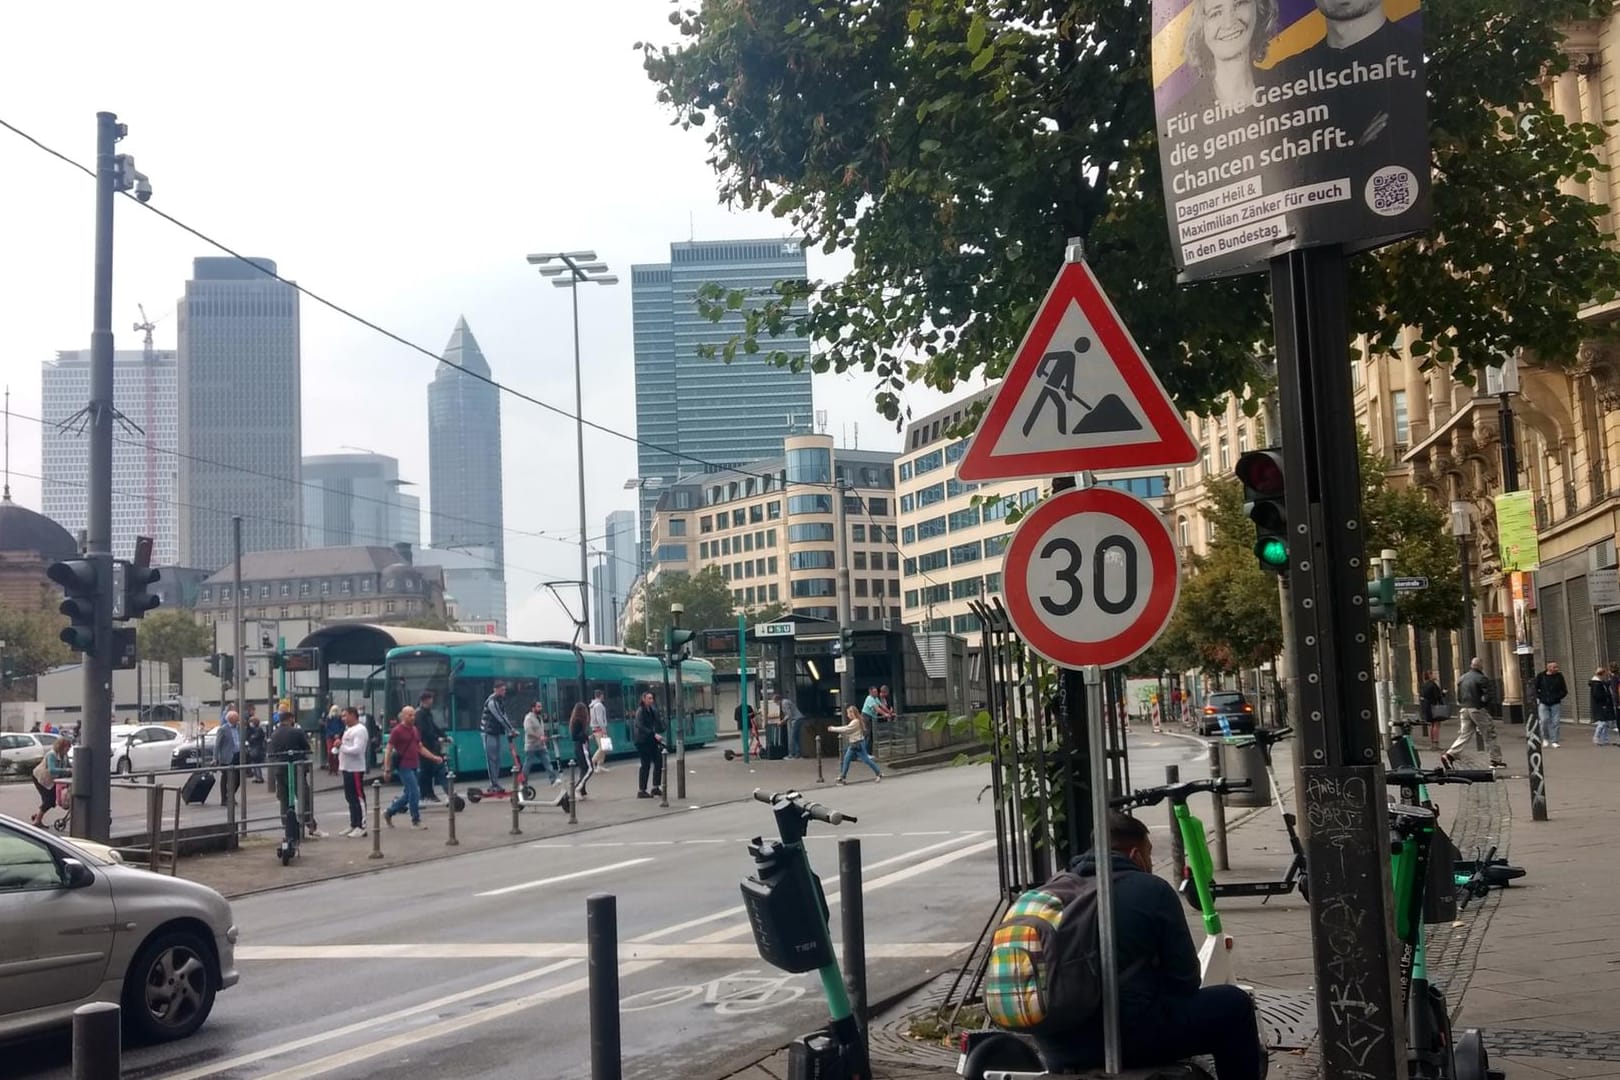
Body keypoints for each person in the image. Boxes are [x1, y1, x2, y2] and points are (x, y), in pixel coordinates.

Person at [1033, 812, 1265, 1078]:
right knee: (1235, 1005)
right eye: (1150, 854)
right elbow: (1185, 980)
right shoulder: (1151, 889)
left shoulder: (1049, 892)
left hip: (1055, 1045)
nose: (1151, 862)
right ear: (1136, 855)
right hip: (1129, 1039)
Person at [1181, 0, 1279, 113]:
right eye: (1215, 13)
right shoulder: (1185, 113)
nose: (1229, 23)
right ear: (1200, 27)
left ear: (1258, 8)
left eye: (1239, 4)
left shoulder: (1288, 85)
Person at [384, 706, 439, 830]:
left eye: (413, 715)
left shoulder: (415, 730)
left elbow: (420, 747)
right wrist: (387, 768)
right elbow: (388, 749)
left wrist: (433, 757)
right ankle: (416, 820)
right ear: (403, 716)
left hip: (414, 765)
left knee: (409, 794)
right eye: (410, 715)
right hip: (403, 766)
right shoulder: (397, 731)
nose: (413, 717)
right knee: (415, 791)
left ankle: (389, 812)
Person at [1444, 657, 1504, 768]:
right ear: (1480, 666)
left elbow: (1459, 696)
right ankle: (1495, 760)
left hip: (1464, 708)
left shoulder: (1462, 678)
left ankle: (1451, 754)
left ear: (1471, 665)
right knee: (1489, 734)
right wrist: (1483, 703)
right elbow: (1488, 695)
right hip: (1477, 709)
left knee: (1465, 734)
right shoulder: (1482, 678)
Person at [267, 711, 308, 823]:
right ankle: (309, 824)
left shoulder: (274, 734)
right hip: (296, 768)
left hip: (280, 769)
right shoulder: (296, 732)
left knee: (284, 799)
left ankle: (287, 825)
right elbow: (306, 747)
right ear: (291, 719)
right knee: (303, 796)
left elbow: (271, 752)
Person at [338, 706, 370, 837]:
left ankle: (362, 826)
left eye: (345, 715)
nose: (343, 719)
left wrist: (341, 747)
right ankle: (354, 823)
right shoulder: (348, 730)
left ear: (352, 715)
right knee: (350, 797)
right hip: (346, 767)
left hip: (355, 768)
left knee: (358, 796)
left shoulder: (360, 730)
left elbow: (358, 749)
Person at [831, 705, 882, 785]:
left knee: (864, 760)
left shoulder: (855, 722)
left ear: (852, 713)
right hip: (856, 743)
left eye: (848, 713)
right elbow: (847, 728)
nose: (847, 715)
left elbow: (846, 729)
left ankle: (878, 773)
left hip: (857, 744)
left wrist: (833, 729)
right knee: (847, 760)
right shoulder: (857, 720)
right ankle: (842, 777)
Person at [29, 736, 71, 826]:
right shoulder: (52, 755)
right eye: (67, 747)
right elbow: (52, 770)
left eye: (69, 747)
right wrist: (67, 770)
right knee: (49, 800)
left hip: (51, 780)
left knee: (50, 800)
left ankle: (37, 816)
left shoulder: (64, 756)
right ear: (60, 746)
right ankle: (37, 820)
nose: (68, 749)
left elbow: (69, 766)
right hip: (40, 779)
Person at [415, 690, 448, 803]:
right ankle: (423, 795)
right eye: (430, 699)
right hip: (424, 746)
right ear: (425, 700)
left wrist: (444, 736)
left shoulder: (428, 713)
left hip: (431, 746)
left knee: (427, 772)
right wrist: (437, 738)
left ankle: (427, 794)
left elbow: (433, 727)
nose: (432, 701)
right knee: (430, 770)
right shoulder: (419, 714)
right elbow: (424, 730)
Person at [481, 681, 515, 792]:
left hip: (495, 732)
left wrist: (510, 730)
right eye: (502, 689)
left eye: (504, 689)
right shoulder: (492, 702)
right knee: (491, 759)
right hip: (488, 732)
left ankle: (496, 783)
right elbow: (500, 717)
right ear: (496, 690)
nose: (504, 691)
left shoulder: (500, 701)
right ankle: (493, 785)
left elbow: (505, 716)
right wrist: (510, 730)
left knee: (497, 759)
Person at [633, 690, 666, 799]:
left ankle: (655, 787)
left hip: (651, 741)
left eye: (652, 698)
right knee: (645, 765)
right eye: (649, 698)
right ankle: (642, 790)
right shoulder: (640, 711)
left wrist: (661, 724)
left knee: (658, 761)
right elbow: (640, 726)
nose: (651, 700)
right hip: (642, 741)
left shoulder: (652, 710)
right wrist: (654, 734)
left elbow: (657, 723)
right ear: (643, 699)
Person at [524, 701, 561, 786]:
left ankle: (553, 780)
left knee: (547, 762)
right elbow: (528, 731)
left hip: (541, 745)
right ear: (533, 708)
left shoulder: (539, 717)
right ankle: (523, 782)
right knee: (528, 765)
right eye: (538, 707)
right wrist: (539, 737)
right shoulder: (528, 718)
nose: (540, 708)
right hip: (531, 746)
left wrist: (543, 738)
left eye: (540, 707)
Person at [1531, 660, 1567, 748]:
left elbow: (1564, 690)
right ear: (1549, 668)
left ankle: (1554, 740)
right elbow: (1535, 688)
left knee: (1555, 722)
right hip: (1544, 702)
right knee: (1544, 720)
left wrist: (1558, 697)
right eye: (1554, 667)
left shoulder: (1559, 676)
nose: (1556, 669)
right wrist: (1540, 697)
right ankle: (1546, 738)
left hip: (1555, 702)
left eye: (1556, 667)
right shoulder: (1541, 676)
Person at [215, 710, 242, 807]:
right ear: (231, 719)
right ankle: (224, 799)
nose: (238, 719)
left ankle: (230, 795)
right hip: (226, 757)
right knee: (226, 778)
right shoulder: (223, 729)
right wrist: (215, 758)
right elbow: (217, 745)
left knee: (237, 779)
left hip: (237, 755)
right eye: (236, 718)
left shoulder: (239, 728)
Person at [567, 702, 595, 798]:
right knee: (589, 769)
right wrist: (586, 737)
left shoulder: (574, 721)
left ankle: (582, 790)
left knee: (583, 769)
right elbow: (575, 736)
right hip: (582, 747)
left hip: (579, 746)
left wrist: (587, 737)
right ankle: (577, 788)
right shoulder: (578, 721)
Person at [1418, 670, 1446, 750]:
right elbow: (1438, 696)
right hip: (1434, 706)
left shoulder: (1424, 685)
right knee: (1436, 724)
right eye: (1432, 674)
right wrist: (1443, 693)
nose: (1434, 674)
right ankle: (1436, 743)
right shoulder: (1433, 685)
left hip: (1427, 706)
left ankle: (1433, 742)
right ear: (1429, 675)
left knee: (1432, 725)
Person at [1591, 666, 1616, 747]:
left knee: (1605, 722)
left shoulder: (1600, 683)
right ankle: (1597, 737)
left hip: (1602, 705)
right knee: (1602, 722)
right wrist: (1607, 695)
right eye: (1605, 674)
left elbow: (1607, 683)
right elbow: (1597, 695)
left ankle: (1605, 739)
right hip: (1601, 705)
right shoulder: (1597, 684)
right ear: (1601, 674)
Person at [589, 688, 612, 773]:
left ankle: (599, 766)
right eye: (603, 695)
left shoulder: (593, 705)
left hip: (596, 729)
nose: (604, 697)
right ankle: (592, 762)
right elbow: (599, 719)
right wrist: (604, 730)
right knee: (602, 748)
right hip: (599, 729)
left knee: (604, 748)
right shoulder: (599, 705)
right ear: (601, 695)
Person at [777, 691, 807, 759]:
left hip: (796, 719)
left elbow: (789, 714)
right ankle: (796, 753)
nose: (777, 704)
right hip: (798, 719)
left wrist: (782, 721)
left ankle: (794, 754)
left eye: (776, 702)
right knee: (795, 737)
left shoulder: (784, 703)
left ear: (778, 700)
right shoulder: (786, 701)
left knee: (793, 737)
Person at [245, 711, 267, 783]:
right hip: (256, 748)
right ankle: (258, 777)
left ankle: (259, 777)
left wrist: (250, 738)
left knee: (256, 763)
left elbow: (252, 738)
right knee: (255, 763)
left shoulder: (258, 730)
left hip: (257, 748)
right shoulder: (255, 730)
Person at [323, 706, 344, 774]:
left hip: (338, 737)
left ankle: (336, 769)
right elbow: (327, 728)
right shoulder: (328, 718)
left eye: (336, 710)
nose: (335, 711)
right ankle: (331, 767)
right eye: (334, 710)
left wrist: (339, 734)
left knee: (337, 753)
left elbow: (342, 727)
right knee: (330, 753)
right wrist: (333, 734)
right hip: (330, 737)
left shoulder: (339, 718)